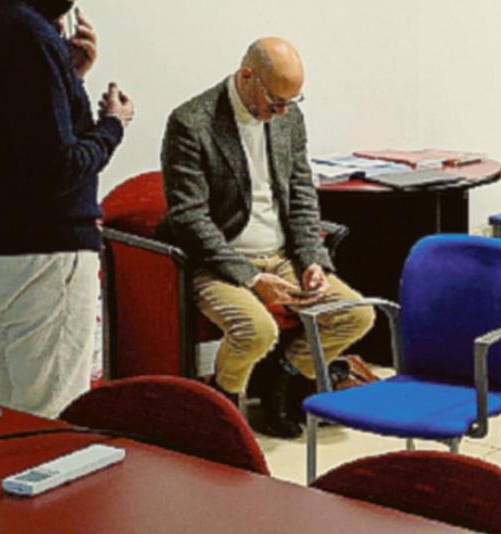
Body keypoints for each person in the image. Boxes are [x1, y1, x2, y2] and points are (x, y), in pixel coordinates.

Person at [0, 0, 134, 418]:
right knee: (50, 416)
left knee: (9, 403)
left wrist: (68, 77)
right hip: (42, 250)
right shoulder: (30, 34)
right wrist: (112, 126)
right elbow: (55, 169)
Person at [160, 38, 376, 438]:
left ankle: (284, 375)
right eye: (276, 101)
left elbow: (302, 197)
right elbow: (189, 217)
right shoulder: (192, 122)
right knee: (256, 330)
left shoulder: (288, 119)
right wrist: (250, 277)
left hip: (282, 257)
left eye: (291, 102)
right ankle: (222, 412)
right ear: (246, 77)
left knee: (357, 314)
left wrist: (313, 260)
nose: (281, 112)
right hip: (219, 264)